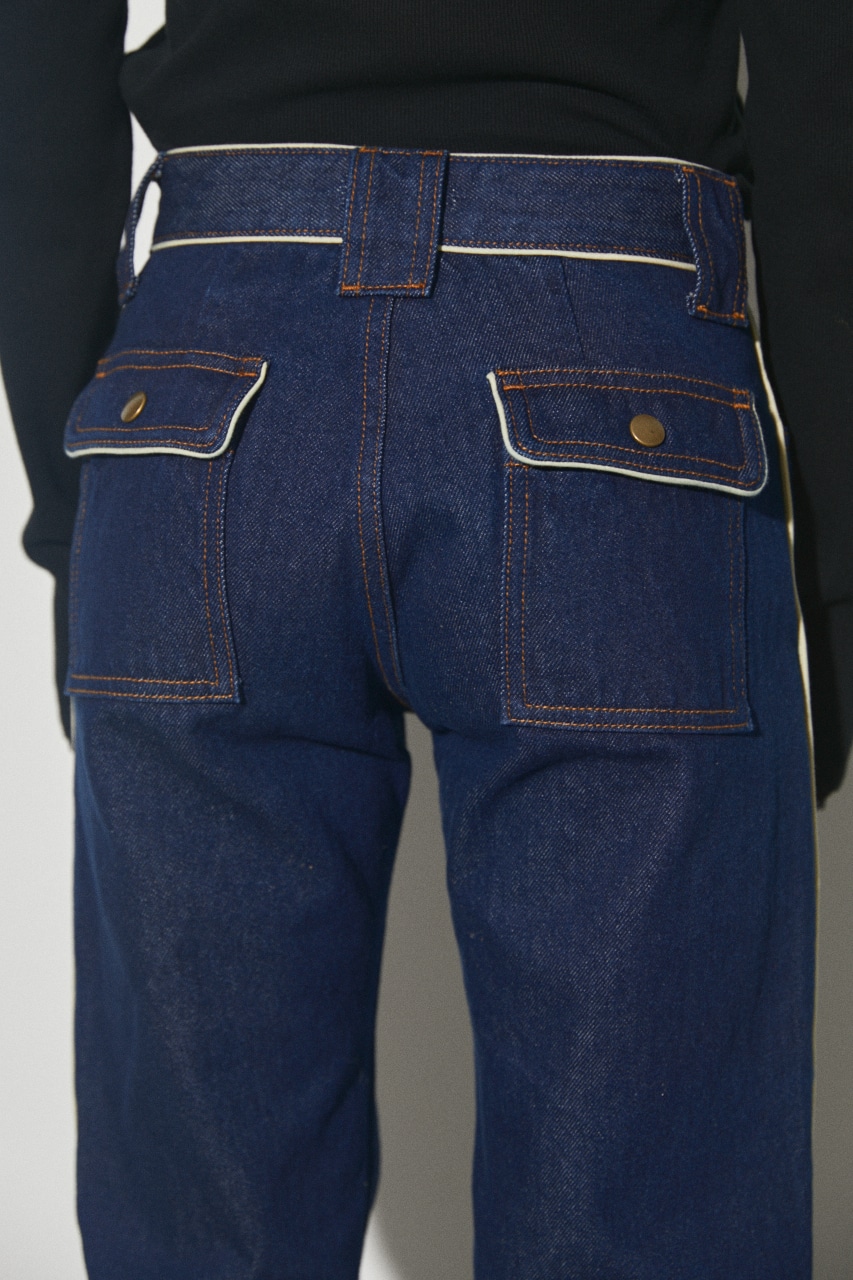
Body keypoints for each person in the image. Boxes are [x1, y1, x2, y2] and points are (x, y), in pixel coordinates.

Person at [0, 3, 849, 1277]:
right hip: (617, 376)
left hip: (203, 389)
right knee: (645, 1221)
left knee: (200, 1233)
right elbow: (820, 62)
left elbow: (36, 40)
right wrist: (834, 568)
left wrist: (79, 514)